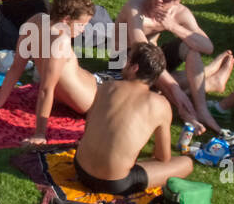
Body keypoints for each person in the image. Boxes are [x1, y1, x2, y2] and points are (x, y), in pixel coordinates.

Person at [116, 0, 234, 134]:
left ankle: (201, 109)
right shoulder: (136, 6)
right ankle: (200, 91)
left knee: (191, 48)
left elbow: (207, 46)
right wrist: (174, 88)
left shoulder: (179, 13)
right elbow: (140, 48)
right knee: (163, 84)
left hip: (153, 58)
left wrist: (173, 26)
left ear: (177, 1)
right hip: (125, 61)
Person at [0, 0, 97, 145]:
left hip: (92, 97)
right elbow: (43, 88)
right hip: (88, 97)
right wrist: (39, 133)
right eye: (81, 25)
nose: (83, 30)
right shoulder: (59, 41)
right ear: (66, 20)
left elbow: (17, 68)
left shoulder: (35, 21)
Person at [74, 42, 194, 193]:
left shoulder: (106, 87)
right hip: (113, 183)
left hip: (79, 168)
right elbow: (163, 157)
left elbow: (88, 126)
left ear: (134, 67)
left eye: (128, 60)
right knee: (187, 163)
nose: (124, 64)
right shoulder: (160, 105)